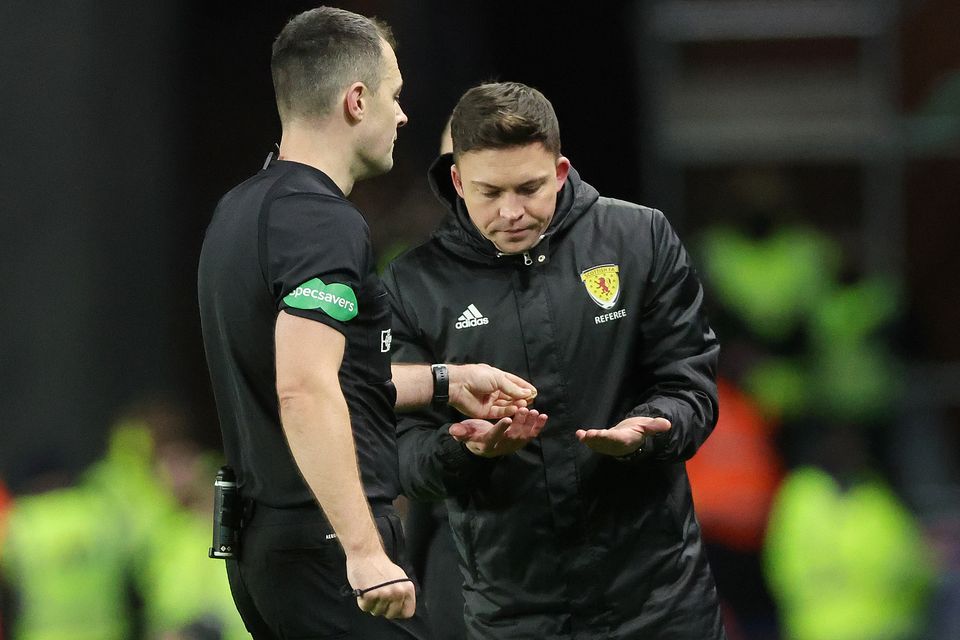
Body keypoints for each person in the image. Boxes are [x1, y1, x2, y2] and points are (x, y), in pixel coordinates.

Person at [198, 10, 535, 639]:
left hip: (265, 549)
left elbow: (326, 373)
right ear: (357, 101)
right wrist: (362, 550)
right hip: (326, 545)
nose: (403, 115)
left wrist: (444, 380)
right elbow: (302, 387)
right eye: (394, 94)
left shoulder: (241, 209)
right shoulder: (321, 220)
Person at [384, 81, 725, 639]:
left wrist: (653, 431)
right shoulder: (413, 284)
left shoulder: (639, 239)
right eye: (490, 192)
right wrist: (462, 449)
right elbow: (401, 452)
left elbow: (690, 383)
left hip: (661, 601)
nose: (512, 212)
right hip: (515, 615)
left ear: (561, 171)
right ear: (457, 180)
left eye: (530, 187)